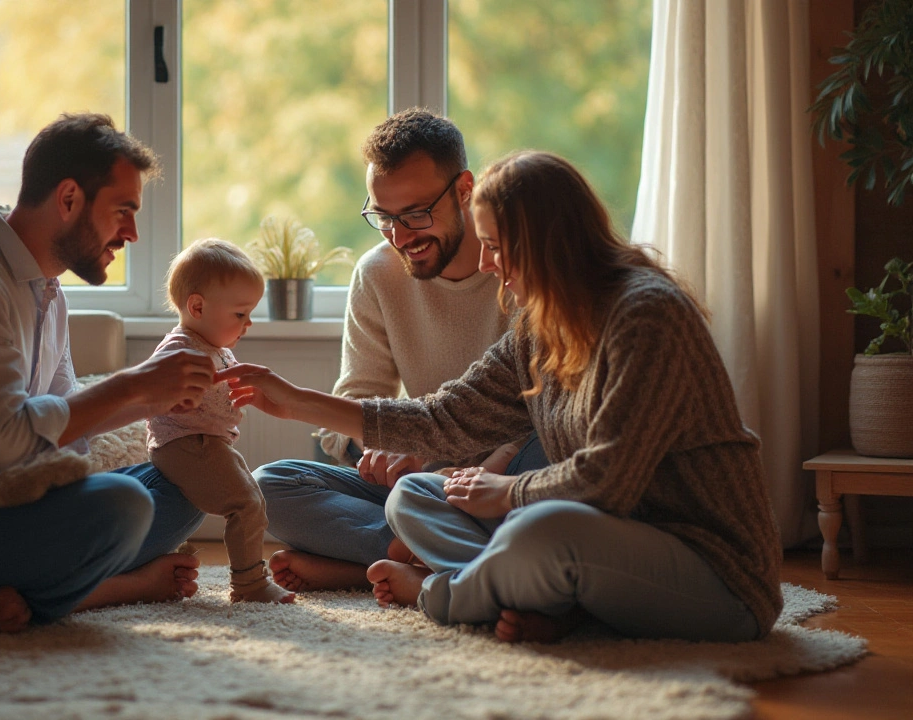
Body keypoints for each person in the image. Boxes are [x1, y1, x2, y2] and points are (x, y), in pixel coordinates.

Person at [220, 150, 783, 644]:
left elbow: (609, 481)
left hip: (713, 573)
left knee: (540, 531)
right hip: (600, 544)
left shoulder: (646, 315)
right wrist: (295, 401)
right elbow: (441, 418)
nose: (487, 263)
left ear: (546, 242)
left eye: (495, 245)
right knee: (415, 494)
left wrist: (506, 490)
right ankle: (538, 599)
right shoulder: (540, 326)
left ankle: (441, 594)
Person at [0, 113, 216, 633]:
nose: (132, 234)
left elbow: (64, 424)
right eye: (123, 211)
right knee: (125, 505)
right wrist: (134, 383)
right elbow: (6, 440)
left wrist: (159, 400)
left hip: (10, 510)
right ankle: (113, 587)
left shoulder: (45, 289)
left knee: (190, 484)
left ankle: (8, 592)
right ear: (68, 199)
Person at [252, 108, 533, 593]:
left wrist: (473, 474)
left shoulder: (516, 269)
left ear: (464, 190)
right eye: (383, 217)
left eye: (417, 214)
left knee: (548, 468)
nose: (401, 237)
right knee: (268, 486)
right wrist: (380, 446)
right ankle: (430, 552)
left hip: (505, 479)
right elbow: (357, 399)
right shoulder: (378, 273)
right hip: (416, 478)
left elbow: (544, 412)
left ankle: (391, 561)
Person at [146, 239, 295, 604]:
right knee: (245, 504)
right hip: (185, 444)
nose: (248, 323)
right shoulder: (180, 349)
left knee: (253, 497)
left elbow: (235, 391)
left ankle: (247, 576)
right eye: (240, 314)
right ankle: (249, 584)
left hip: (208, 441)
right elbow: (153, 390)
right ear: (197, 306)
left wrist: (261, 396)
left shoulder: (215, 349)